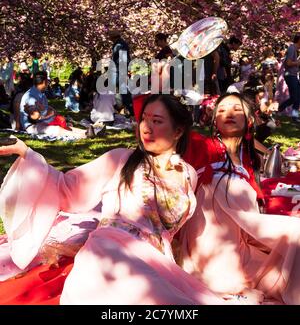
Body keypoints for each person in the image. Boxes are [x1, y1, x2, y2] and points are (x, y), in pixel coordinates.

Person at [0, 95, 224, 305]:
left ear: (178, 131)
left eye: (157, 121)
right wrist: (27, 154)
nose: (146, 128)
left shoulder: (188, 174)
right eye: (144, 120)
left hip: (157, 260)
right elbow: (66, 188)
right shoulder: (121, 159)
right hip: (108, 253)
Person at [179, 92, 300, 305]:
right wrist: (157, 83)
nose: (229, 113)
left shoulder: (245, 158)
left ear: (249, 119)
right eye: (222, 110)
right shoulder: (201, 145)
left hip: (244, 239)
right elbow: (162, 127)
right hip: (209, 243)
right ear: (214, 120)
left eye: (236, 109)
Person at [278, 34, 300, 122]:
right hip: (290, 75)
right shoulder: (292, 48)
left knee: (296, 96)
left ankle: (292, 115)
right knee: (296, 97)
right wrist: (298, 62)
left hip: (293, 75)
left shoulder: (295, 49)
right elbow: (288, 63)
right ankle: (293, 116)